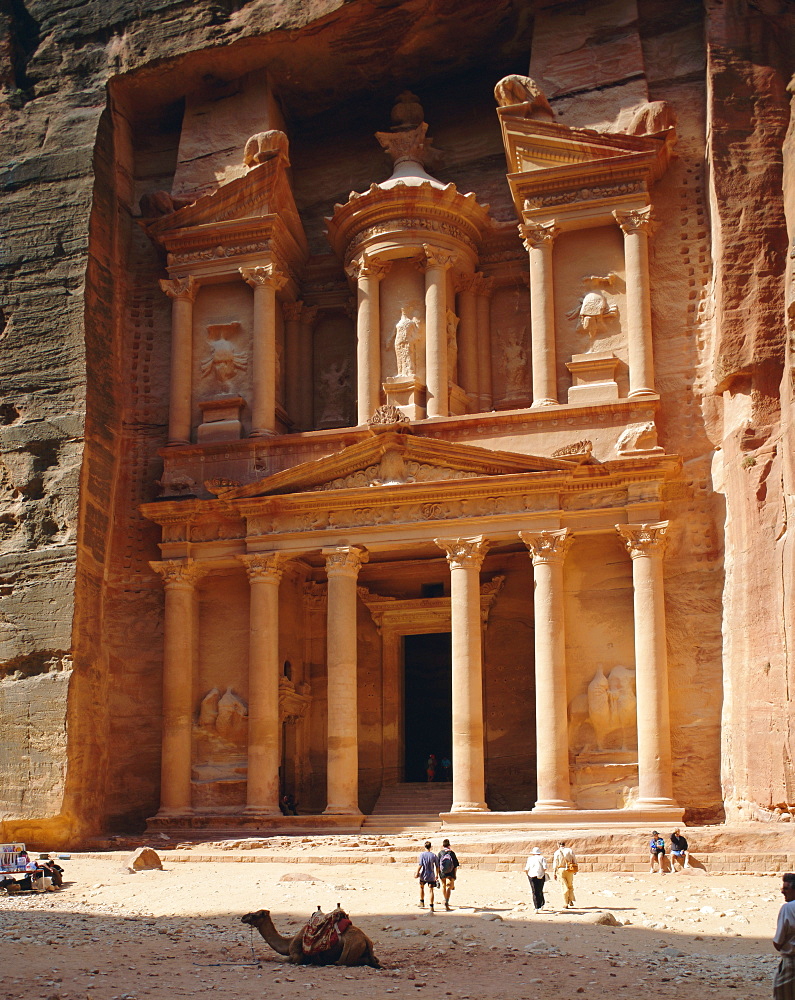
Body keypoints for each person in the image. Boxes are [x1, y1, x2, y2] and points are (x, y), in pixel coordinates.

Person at [773, 872, 795, 999]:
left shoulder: (788, 908)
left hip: (791, 963)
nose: (782, 892)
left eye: (786, 888)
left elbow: (778, 942)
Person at [552, 840, 578, 908]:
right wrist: (575, 869)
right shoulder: (569, 850)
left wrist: (554, 873)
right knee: (570, 885)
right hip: (570, 869)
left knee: (564, 886)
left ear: (558, 845)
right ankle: (571, 900)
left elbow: (555, 863)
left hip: (561, 870)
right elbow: (574, 859)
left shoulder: (557, 852)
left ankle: (565, 902)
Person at [415, 840, 440, 912]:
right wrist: (437, 874)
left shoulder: (422, 855)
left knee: (421, 887)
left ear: (424, 846)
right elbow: (437, 866)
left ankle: (421, 902)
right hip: (431, 875)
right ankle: (431, 906)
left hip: (423, 875)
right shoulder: (434, 855)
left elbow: (420, 865)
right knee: (431, 890)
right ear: (430, 847)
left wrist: (417, 872)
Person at [438, 838, 460, 911]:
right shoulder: (451, 853)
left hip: (442, 873)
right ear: (449, 845)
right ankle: (446, 901)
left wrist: (437, 874)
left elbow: (438, 865)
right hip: (450, 873)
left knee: (443, 886)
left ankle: (445, 899)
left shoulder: (440, 853)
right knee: (448, 887)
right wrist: (455, 874)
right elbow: (455, 865)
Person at [524, 846, 548, 912]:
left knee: (534, 891)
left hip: (531, 875)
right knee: (540, 890)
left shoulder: (530, 858)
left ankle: (536, 907)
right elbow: (545, 868)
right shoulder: (542, 858)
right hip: (540, 875)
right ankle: (541, 904)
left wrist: (528, 875)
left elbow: (526, 868)